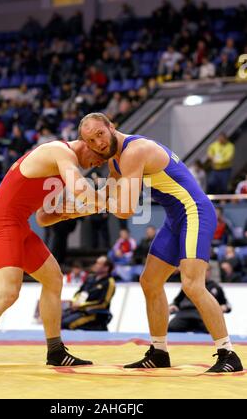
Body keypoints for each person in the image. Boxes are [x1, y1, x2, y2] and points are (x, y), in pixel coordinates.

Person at [78, 112, 243, 373]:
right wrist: (68, 210)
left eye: (100, 134)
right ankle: (159, 351)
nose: (97, 143)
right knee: (150, 281)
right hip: (176, 219)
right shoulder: (116, 162)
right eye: (90, 140)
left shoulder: (135, 151)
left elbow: (125, 210)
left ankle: (228, 353)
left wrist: (90, 200)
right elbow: (104, 196)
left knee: (192, 285)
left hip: (195, 212)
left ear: (111, 127)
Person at [0, 139, 106, 372]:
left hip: (19, 224)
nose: (100, 161)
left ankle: (56, 351)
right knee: (8, 291)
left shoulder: (64, 168)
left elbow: (44, 216)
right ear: (88, 141)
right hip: (2, 222)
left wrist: (70, 213)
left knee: (53, 279)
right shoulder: (60, 152)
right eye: (101, 153)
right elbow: (84, 193)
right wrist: (107, 200)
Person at [168, 265, 231, 333]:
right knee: (170, 328)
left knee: (216, 331)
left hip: (204, 315)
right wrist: (173, 305)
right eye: (202, 270)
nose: (204, 273)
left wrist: (225, 307)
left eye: (206, 270)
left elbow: (226, 304)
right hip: (185, 313)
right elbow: (177, 301)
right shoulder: (189, 285)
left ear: (210, 272)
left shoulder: (215, 287)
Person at [61, 256, 115, 331]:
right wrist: (75, 301)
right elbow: (79, 292)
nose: (96, 265)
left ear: (106, 268)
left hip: (93, 314)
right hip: (79, 310)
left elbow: (103, 303)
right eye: (96, 263)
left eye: (99, 264)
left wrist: (81, 305)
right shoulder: (90, 278)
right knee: (58, 319)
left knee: (66, 324)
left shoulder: (109, 282)